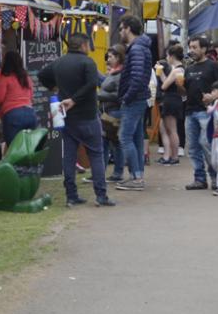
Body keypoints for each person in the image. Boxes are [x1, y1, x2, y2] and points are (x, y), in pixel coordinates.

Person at [37, 32, 116, 207]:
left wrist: (54, 88)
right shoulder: (87, 62)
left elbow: (42, 75)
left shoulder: (59, 62)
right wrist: (74, 100)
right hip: (87, 116)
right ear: (83, 45)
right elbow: (91, 85)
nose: (89, 48)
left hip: (67, 118)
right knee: (96, 154)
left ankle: (71, 195)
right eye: (88, 45)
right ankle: (101, 195)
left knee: (69, 156)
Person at [115, 15, 153, 190]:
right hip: (140, 99)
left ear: (128, 28)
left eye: (122, 28)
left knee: (124, 137)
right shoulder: (142, 47)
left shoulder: (136, 49)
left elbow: (136, 78)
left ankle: (136, 179)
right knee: (136, 138)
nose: (121, 32)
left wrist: (126, 97)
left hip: (134, 99)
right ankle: (138, 175)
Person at [183, 36, 218, 190]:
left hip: (207, 112)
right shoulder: (189, 68)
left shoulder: (213, 66)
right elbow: (185, 91)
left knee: (206, 144)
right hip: (190, 111)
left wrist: (212, 96)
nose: (191, 50)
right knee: (192, 147)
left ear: (204, 49)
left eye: (195, 47)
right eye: (190, 47)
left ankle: (215, 177)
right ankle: (199, 179)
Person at [0, 50, 38, 148]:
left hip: (13, 116)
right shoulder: (26, 77)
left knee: (14, 150)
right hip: (30, 115)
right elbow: (31, 96)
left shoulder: (5, 78)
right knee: (28, 150)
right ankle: (30, 164)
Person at [98, 45, 126, 183]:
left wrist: (100, 96)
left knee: (115, 143)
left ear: (118, 57)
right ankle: (102, 172)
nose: (108, 59)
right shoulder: (114, 73)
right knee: (107, 142)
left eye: (110, 57)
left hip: (115, 111)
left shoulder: (120, 74)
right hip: (108, 111)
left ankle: (117, 173)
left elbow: (119, 95)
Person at [156, 44, 185, 166]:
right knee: (164, 128)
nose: (167, 58)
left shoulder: (176, 70)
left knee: (172, 130)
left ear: (172, 56)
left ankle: (174, 156)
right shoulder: (182, 69)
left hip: (171, 100)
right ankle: (167, 155)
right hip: (175, 99)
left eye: (168, 55)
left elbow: (164, 86)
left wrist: (160, 72)